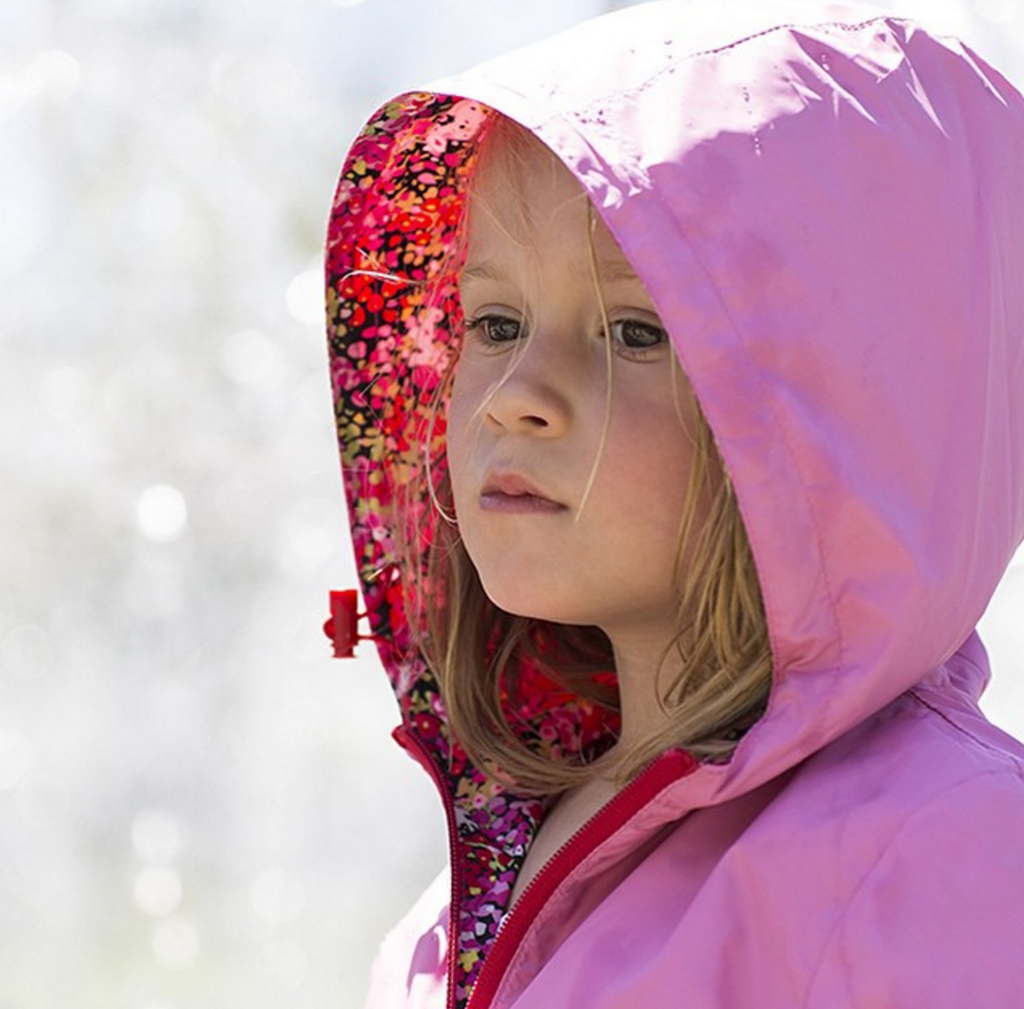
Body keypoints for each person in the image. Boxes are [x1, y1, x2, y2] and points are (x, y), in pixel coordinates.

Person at [323, 2, 1024, 1006]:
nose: (517, 393)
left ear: (851, 412)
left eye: (635, 332)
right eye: (494, 319)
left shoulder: (945, 855)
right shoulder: (481, 882)